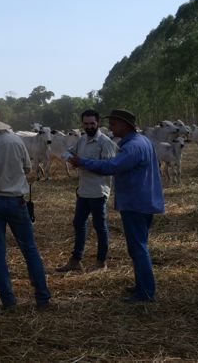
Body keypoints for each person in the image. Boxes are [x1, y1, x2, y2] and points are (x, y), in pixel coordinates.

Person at [68, 109, 165, 302]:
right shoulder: (141, 142)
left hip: (135, 202)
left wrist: (83, 162)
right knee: (138, 246)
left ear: (124, 125)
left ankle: (145, 292)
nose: (110, 127)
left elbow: (112, 166)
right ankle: (142, 285)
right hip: (143, 200)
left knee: (138, 248)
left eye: (113, 123)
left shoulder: (132, 147)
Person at [0, 106, 52, 311]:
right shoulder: (16, 141)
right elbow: (28, 169)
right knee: (30, 249)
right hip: (16, 201)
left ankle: (8, 301)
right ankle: (42, 298)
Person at [56, 109, 118, 273]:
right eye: (86, 124)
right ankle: (76, 260)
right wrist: (70, 159)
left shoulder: (105, 142)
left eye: (92, 123)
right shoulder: (82, 140)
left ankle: (101, 263)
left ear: (98, 123)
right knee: (78, 224)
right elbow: (67, 153)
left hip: (98, 192)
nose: (89, 126)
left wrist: (82, 163)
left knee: (100, 227)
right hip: (83, 191)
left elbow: (108, 167)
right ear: (82, 124)